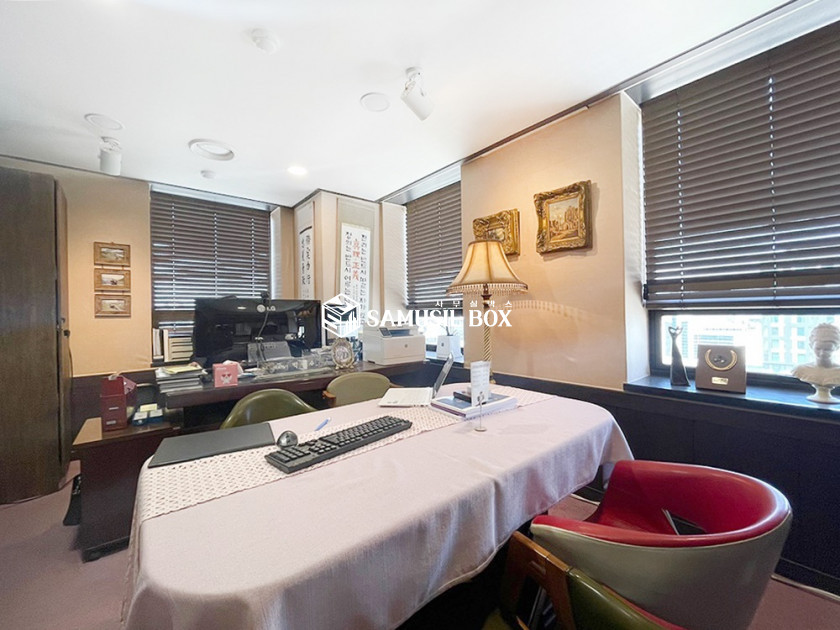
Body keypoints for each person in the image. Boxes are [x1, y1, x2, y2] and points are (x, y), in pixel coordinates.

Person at [792, 324, 840, 402]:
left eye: (827, 349)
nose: (822, 353)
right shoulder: (800, 370)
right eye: (818, 348)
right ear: (811, 346)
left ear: (837, 347)